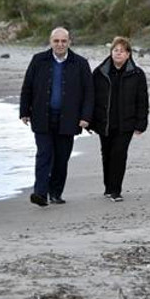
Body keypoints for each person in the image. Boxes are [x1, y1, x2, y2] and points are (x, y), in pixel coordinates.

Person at [20, 27, 93, 206]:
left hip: (68, 118)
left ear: (69, 42)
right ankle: (40, 193)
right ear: (50, 42)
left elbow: (89, 93)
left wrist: (86, 117)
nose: (60, 44)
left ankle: (55, 193)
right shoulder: (38, 60)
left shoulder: (80, 63)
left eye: (63, 41)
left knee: (61, 158)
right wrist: (24, 111)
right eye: (56, 41)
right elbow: (27, 86)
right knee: (44, 155)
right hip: (42, 116)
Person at [92, 36, 149, 202]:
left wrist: (141, 123)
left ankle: (116, 189)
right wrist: (90, 120)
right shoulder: (99, 72)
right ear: (111, 53)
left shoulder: (137, 74)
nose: (118, 53)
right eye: (115, 50)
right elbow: (91, 97)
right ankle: (108, 187)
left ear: (128, 54)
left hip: (126, 122)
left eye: (122, 51)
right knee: (107, 154)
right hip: (104, 121)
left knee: (119, 153)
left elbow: (142, 100)